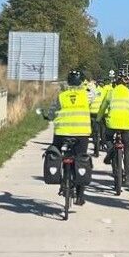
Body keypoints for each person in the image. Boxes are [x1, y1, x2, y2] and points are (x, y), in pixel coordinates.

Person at [46, 69, 94, 204]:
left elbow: (52, 111)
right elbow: (94, 94)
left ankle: (60, 176)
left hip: (62, 132)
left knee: (56, 151)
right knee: (81, 159)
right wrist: (87, 85)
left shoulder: (61, 96)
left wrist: (48, 116)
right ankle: (80, 196)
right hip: (81, 133)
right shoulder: (87, 95)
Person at [98, 70, 129, 175]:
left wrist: (98, 119)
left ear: (116, 83)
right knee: (127, 149)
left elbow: (102, 108)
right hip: (127, 125)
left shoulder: (110, 93)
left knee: (107, 139)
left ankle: (111, 152)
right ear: (127, 84)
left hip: (112, 124)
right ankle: (128, 176)